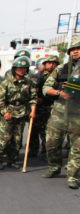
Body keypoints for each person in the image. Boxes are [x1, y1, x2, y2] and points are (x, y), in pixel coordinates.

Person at [42, 41, 80, 188]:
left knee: (77, 148)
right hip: (59, 112)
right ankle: (54, 167)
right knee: (51, 144)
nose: (75, 52)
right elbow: (46, 88)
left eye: (78, 49)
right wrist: (60, 93)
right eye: (73, 50)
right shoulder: (61, 68)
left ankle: (73, 176)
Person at [0, 56, 37, 170]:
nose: (22, 70)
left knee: (17, 140)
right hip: (9, 112)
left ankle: (12, 160)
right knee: (5, 138)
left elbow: (33, 98)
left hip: (21, 113)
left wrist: (33, 110)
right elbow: (0, 100)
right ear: (14, 69)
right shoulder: (6, 83)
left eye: (24, 68)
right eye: (19, 68)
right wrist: (4, 112)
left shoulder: (29, 82)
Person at [29, 55, 59, 160]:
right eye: (49, 63)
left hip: (52, 106)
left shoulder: (58, 76)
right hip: (38, 106)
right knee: (34, 129)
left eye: (53, 63)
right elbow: (31, 89)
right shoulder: (38, 76)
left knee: (47, 131)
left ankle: (45, 152)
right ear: (45, 64)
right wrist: (36, 99)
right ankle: (33, 150)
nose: (51, 65)